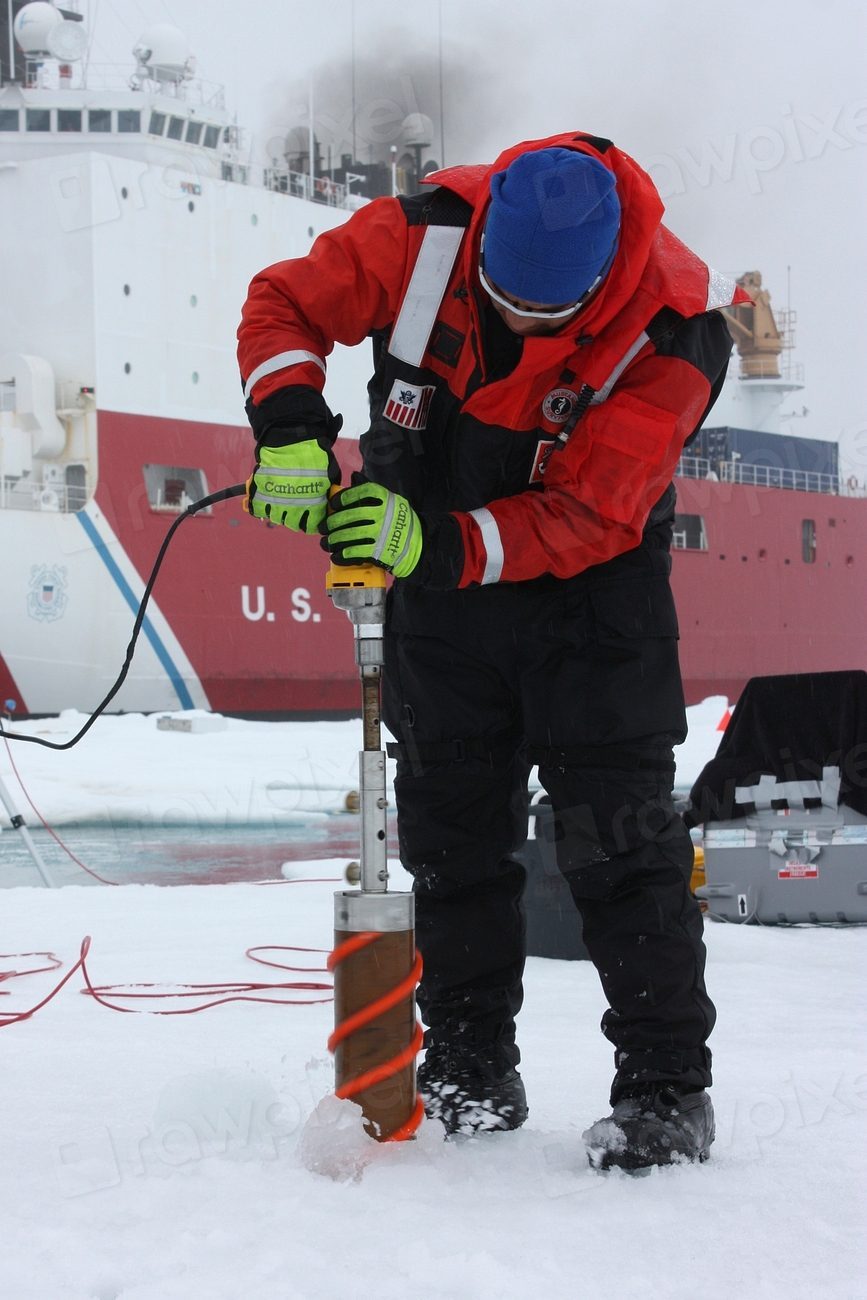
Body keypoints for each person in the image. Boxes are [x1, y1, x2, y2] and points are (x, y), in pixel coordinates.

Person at [238, 132, 747, 1171]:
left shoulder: (676, 329)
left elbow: (596, 514)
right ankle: (471, 1065)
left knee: (621, 844)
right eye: (505, 300)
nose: (518, 324)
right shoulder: (422, 235)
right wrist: (289, 427)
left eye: (546, 317)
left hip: (590, 605)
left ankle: (664, 1089)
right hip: (441, 600)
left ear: (600, 283)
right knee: (451, 836)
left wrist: (438, 541)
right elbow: (285, 302)